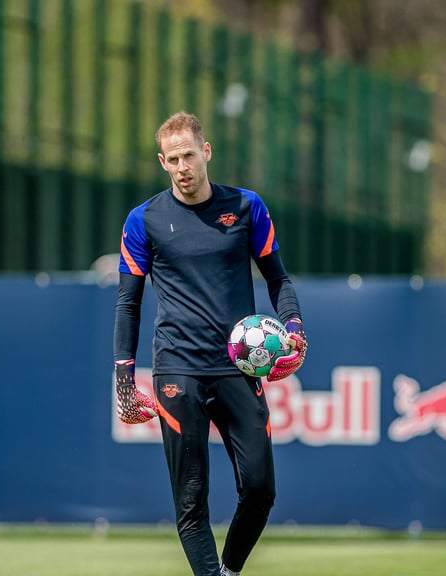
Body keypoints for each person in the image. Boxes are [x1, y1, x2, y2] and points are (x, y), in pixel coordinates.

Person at [113, 111, 308, 576]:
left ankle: (230, 570)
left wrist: (294, 328)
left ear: (207, 152)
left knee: (261, 490)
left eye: (189, 155)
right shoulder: (144, 220)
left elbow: (278, 278)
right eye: (173, 158)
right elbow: (127, 303)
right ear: (163, 162)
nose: (183, 166)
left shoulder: (246, 207)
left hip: (241, 367)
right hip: (177, 369)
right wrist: (124, 375)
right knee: (191, 499)